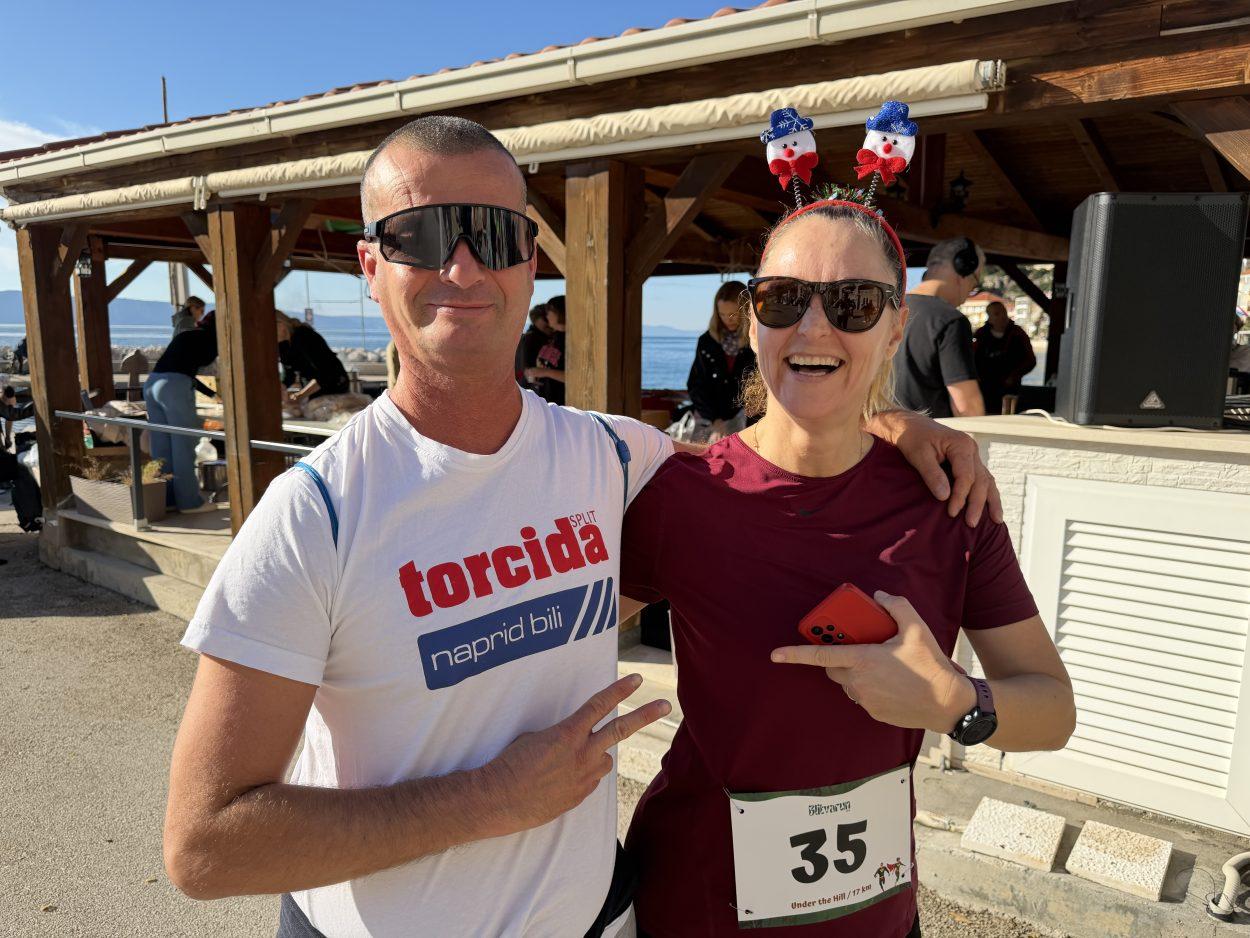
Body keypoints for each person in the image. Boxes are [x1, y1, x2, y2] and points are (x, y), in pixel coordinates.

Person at [163, 115, 1002, 938]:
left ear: (531, 261)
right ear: (371, 265)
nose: (462, 264)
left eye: (494, 234)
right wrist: (485, 800)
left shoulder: (612, 456)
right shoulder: (316, 514)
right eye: (418, 235)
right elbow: (203, 847)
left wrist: (892, 422)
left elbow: (778, 456)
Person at [619, 201, 1074, 937]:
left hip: (877, 918)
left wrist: (955, 703)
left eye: (854, 303)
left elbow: (1052, 710)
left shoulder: (949, 501)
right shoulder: (682, 494)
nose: (812, 328)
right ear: (753, 321)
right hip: (698, 907)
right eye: (782, 299)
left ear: (896, 327)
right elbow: (541, 642)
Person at [894, 237, 987, 417]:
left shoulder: (888, 310)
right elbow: (967, 407)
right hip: (929, 432)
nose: (970, 293)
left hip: (878, 431)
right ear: (963, 270)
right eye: (974, 283)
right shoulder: (951, 321)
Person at [144, 313, 219, 513]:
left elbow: (183, 369)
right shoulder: (211, 339)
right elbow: (189, 371)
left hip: (152, 384)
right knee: (183, 444)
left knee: (162, 447)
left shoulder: (186, 335)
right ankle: (189, 502)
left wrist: (212, 394)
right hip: (174, 387)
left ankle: (167, 499)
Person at [685, 280, 755, 442]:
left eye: (733, 314)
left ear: (746, 310)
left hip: (750, 422)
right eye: (722, 314)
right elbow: (696, 385)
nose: (727, 319)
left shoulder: (756, 341)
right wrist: (714, 419)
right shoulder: (706, 342)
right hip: (710, 421)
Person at [973, 300, 1036, 415]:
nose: (1002, 317)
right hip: (985, 390)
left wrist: (1014, 376)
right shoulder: (980, 335)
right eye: (996, 314)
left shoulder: (1018, 334)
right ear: (989, 318)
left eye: (1004, 312)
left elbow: (1030, 360)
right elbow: (970, 361)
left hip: (1010, 390)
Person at [277, 312, 351, 403]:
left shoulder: (304, 336)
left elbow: (325, 374)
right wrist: (281, 388)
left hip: (334, 385)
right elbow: (289, 375)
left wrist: (300, 395)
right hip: (313, 389)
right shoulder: (283, 345)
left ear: (281, 325)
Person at [525, 294, 567, 404]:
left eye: (549, 311)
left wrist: (545, 372)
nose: (547, 316)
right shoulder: (554, 336)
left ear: (559, 312)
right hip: (547, 400)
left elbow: (575, 377)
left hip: (563, 403)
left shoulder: (571, 340)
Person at [515, 302, 553, 390]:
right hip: (532, 386)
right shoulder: (530, 338)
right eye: (545, 318)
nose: (548, 322)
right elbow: (526, 365)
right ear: (535, 320)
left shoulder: (547, 336)